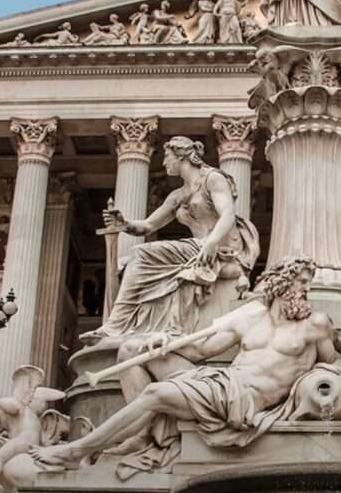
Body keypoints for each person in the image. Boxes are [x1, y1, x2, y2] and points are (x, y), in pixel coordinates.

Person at [32, 257, 341, 470]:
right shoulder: (250, 320)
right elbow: (198, 353)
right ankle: (146, 435)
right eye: (301, 282)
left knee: (155, 395)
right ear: (280, 283)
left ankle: (75, 452)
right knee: (132, 350)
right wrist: (164, 342)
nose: (305, 290)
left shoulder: (315, 324)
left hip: (243, 401)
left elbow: (327, 365)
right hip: (221, 383)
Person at [87, 136, 259, 343]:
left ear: (182, 156)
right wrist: (124, 223)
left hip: (222, 250)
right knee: (136, 257)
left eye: (167, 157)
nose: (164, 162)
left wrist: (211, 243)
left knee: (140, 254)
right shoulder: (178, 195)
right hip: (197, 248)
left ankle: (116, 325)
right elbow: (149, 226)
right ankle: (120, 325)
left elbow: (228, 215)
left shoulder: (213, 179)